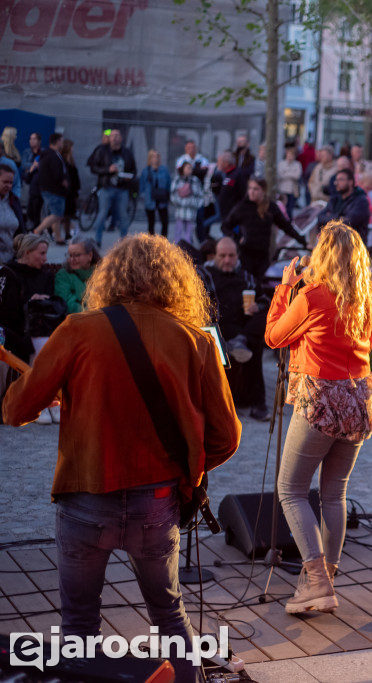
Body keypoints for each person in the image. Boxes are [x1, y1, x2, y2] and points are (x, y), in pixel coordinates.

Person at [2, 234, 241, 683]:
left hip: (85, 499)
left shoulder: (78, 329)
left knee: (79, 628)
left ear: (109, 277)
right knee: (171, 619)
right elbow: (226, 437)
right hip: (157, 502)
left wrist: (44, 385)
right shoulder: (197, 342)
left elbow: (15, 411)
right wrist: (186, 475)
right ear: (174, 281)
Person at [264, 221, 372, 614]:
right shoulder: (368, 300)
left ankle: (317, 583)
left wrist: (285, 289)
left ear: (324, 255)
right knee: (334, 494)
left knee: (291, 489)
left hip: (322, 402)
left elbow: (275, 337)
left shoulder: (312, 295)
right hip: (360, 400)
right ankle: (325, 579)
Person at [204, 237, 272, 421]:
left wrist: (257, 307)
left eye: (231, 256)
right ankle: (237, 403)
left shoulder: (247, 277)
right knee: (246, 341)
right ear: (215, 256)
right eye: (222, 255)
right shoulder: (205, 275)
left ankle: (259, 404)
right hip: (219, 328)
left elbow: (264, 301)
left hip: (244, 329)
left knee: (263, 322)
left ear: (237, 256)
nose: (227, 260)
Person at [222, 178, 307, 280]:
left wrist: (304, 242)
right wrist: (237, 238)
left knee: (262, 283)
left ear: (263, 190)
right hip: (246, 254)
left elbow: (286, 227)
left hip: (263, 255)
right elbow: (225, 226)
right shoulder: (242, 207)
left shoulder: (270, 207)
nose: (251, 192)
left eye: (255, 189)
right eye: (250, 189)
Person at [0, 234, 62, 371]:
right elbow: (6, 311)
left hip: (39, 327)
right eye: (41, 253)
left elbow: (53, 304)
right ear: (27, 252)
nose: (45, 259)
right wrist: (28, 302)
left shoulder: (45, 276)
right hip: (14, 330)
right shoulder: (8, 273)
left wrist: (45, 301)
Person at [88, 129, 136, 244]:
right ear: (109, 138)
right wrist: (107, 170)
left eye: (117, 135)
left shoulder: (127, 153)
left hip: (122, 189)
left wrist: (128, 177)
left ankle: (124, 243)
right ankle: (97, 241)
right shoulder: (102, 151)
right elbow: (93, 167)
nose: (115, 138)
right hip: (106, 188)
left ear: (121, 138)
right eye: (112, 135)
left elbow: (133, 170)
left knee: (123, 216)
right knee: (102, 214)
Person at [34, 133, 69, 244]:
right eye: (62, 141)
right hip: (54, 190)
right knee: (57, 215)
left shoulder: (48, 155)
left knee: (56, 214)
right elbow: (57, 173)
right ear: (58, 141)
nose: (62, 144)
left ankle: (58, 238)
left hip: (49, 189)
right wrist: (63, 182)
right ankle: (37, 231)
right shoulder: (53, 156)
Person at [55, 235, 101, 314]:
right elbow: (67, 303)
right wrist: (91, 313)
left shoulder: (102, 273)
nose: (72, 259)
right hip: (76, 320)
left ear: (90, 255)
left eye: (77, 255)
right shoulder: (63, 275)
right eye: (70, 255)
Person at [323, 168, 370, 243]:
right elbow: (320, 217)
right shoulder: (335, 199)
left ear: (350, 182)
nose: (336, 183)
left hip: (352, 245)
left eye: (341, 180)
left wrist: (330, 217)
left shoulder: (361, 201)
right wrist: (338, 217)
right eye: (336, 180)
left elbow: (349, 222)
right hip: (334, 244)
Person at [170, 161, 206, 246]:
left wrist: (194, 204)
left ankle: (187, 249)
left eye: (191, 168)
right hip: (180, 212)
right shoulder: (177, 180)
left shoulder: (195, 180)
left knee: (189, 233)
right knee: (178, 231)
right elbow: (173, 194)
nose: (190, 170)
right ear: (183, 169)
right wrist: (180, 202)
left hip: (191, 212)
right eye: (188, 168)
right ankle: (177, 248)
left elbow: (200, 195)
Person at [138, 149, 171, 238]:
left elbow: (168, 184)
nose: (155, 159)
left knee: (164, 221)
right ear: (150, 158)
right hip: (150, 199)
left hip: (162, 199)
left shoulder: (164, 170)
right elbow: (142, 186)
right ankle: (151, 241)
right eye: (153, 156)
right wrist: (143, 196)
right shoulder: (146, 171)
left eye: (157, 156)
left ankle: (164, 240)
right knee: (151, 222)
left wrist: (168, 196)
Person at [0, 166, 25, 263]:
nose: (8, 186)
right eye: (5, 182)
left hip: (11, 260)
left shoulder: (13, 201)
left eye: (11, 183)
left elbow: (21, 231)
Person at [59, 139, 80, 242]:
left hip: (72, 191)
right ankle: (55, 231)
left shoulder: (70, 161)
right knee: (63, 215)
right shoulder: (63, 162)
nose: (73, 149)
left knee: (68, 215)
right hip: (66, 192)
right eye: (71, 147)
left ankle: (67, 233)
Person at [278, 145, 303, 219]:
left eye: (292, 155)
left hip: (292, 190)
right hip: (283, 189)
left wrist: (286, 173)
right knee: (282, 208)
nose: (290, 156)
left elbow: (297, 176)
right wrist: (291, 174)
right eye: (289, 154)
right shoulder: (281, 164)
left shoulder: (297, 164)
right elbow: (280, 175)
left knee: (290, 209)